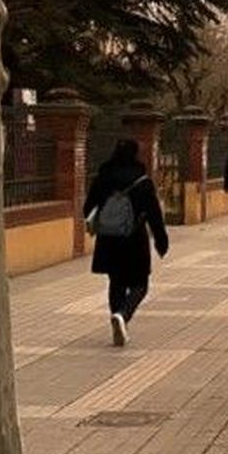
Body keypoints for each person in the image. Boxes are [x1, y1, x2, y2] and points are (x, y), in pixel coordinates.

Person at [84, 138, 169, 347]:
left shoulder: (103, 177)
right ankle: (123, 314)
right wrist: (161, 240)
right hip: (134, 239)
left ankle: (117, 317)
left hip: (108, 239)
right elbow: (154, 214)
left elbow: (88, 208)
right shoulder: (142, 181)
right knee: (141, 284)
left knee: (116, 282)